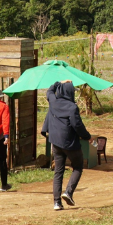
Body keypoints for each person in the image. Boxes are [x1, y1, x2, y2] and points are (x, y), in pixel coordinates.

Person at [41, 80, 92, 211]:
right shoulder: (72, 107)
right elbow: (77, 125)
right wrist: (87, 137)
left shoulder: (53, 102)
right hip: (70, 143)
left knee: (59, 171)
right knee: (78, 167)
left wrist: (58, 82)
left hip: (55, 142)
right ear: (70, 92)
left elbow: (49, 91)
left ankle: (57, 202)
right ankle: (68, 192)